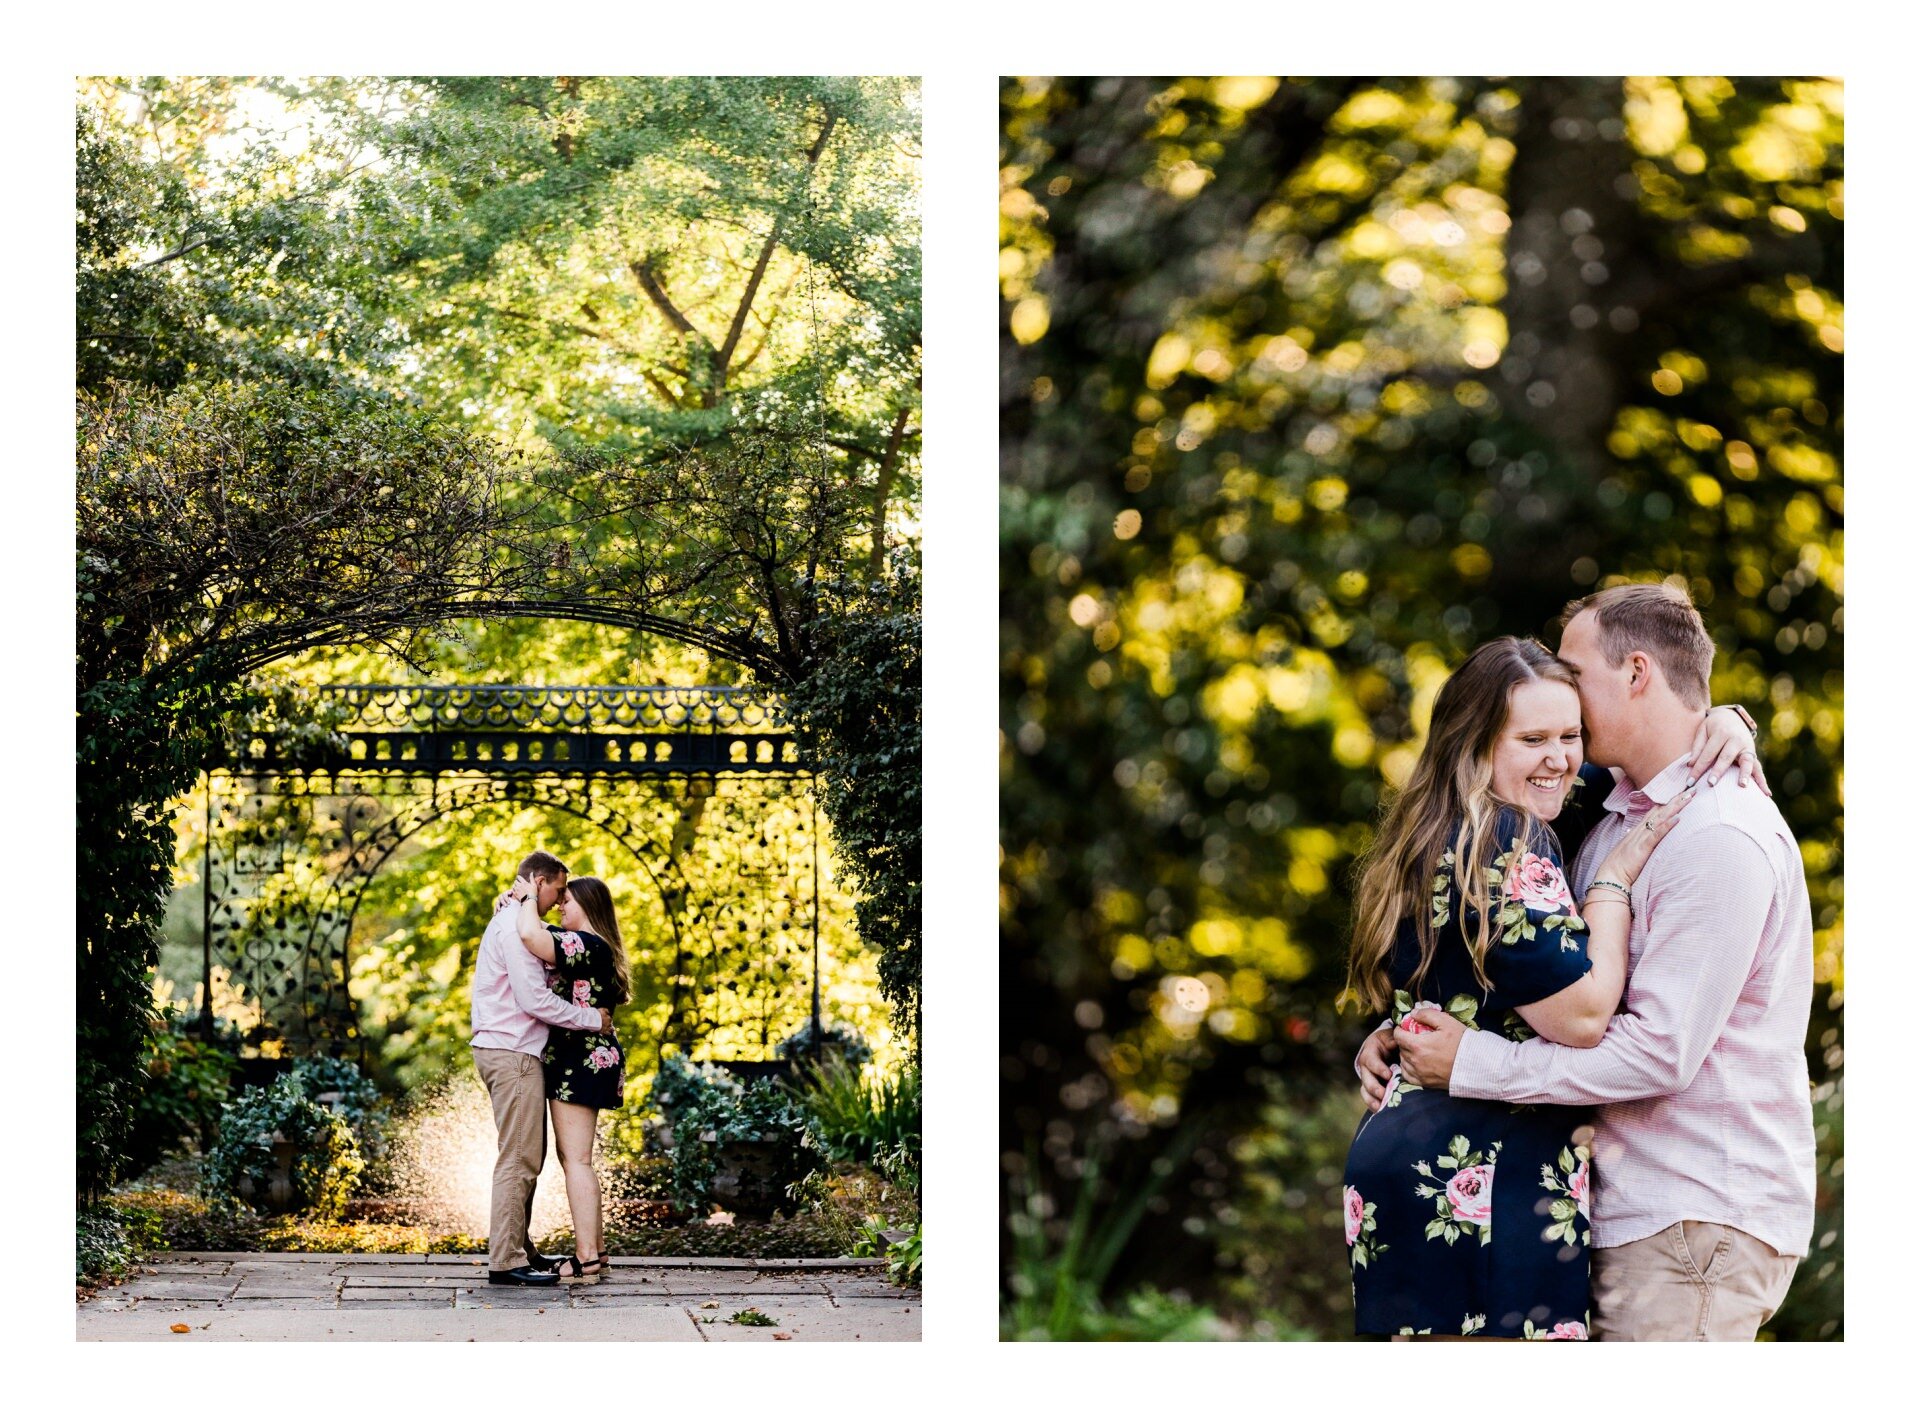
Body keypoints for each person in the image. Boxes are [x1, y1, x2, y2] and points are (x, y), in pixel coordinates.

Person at [1370, 582, 1814, 1341]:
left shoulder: (1718, 834)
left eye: (1575, 672)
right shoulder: (1609, 813)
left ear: (1636, 673)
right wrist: (1415, 1034)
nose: (1563, 694)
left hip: (1690, 1217)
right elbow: (1515, 958)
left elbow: (1659, 1054)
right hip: (1624, 1212)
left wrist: (1470, 1063)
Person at [469, 850, 611, 1287]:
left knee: (527, 1155)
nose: (559, 899)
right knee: (519, 1157)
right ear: (539, 881)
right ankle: (507, 1260)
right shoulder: (518, 925)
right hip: (512, 1053)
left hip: (511, 1050)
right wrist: (593, 1019)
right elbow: (533, 1000)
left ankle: (518, 1248)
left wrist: (514, 900)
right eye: (557, 890)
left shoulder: (520, 918)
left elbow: (544, 942)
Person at [506, 871, 630, 1285]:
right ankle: (598, 1254)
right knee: (576, 1159)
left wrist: (526, 898)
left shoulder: (586, 944)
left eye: (568, 901)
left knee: (576, 1161)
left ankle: (586, 1258)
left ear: (589, 907)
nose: (561, 906)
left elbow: (530, 936)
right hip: (585, 1056)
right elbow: (536, 930)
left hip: (579, 1058)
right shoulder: (593, 947)